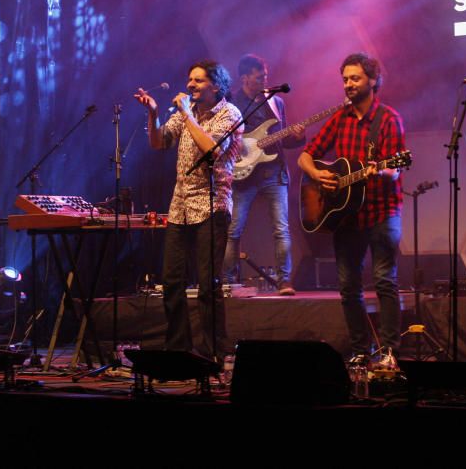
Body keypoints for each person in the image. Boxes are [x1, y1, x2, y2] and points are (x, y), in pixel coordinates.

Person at [298, 53, 405, 366]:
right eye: (345, 79)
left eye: (355, 78)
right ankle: (361, 350)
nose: (348, 84)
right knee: (348, 286)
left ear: (372, 81)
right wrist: (317, 175)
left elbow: (395, 169)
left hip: (383, 211)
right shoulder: (339, 118)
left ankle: (389, 351)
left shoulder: (388, 119)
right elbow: (306, 155)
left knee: (385, 280)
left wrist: (381, 170)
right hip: (347, 216)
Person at [134, 60, 242, 357]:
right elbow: (159, 143)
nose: (190, 85)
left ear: (216, 85)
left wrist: (185, 114)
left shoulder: (229, 114)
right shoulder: (188, 113)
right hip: (180, 207)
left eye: (197, 81)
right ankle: (178, 349)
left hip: (211, 206)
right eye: (189, 80)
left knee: (208, 285)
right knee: (171, 281)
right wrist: (153, 113)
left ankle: (213, 352)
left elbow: (212, 149)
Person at [222, 54, 304, 295]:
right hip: (243, 176)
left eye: (265, 75)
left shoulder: (275, 102)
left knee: (281, 228)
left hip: (274, 171)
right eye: (260, 77)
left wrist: (297, 137)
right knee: (234, 229)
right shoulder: (231, 103)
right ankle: (227, 280)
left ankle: (284, 281)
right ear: (245, 78)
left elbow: (280, 140)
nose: (265, 80)